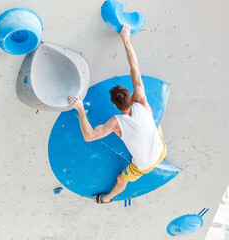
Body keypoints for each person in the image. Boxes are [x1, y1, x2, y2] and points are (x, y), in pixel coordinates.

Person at [68, 24, 167, 204]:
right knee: (153, 123)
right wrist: (126, 39)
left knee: (122, 179)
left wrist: (80, 108)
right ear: (130, 95)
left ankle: (106, 199)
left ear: (114, 104)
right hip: (162, 150)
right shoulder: (141, 100)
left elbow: (89, 136)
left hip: (144, 166)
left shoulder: (116, 123)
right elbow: (134, 67)